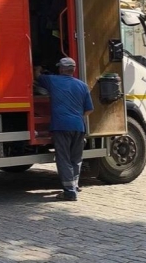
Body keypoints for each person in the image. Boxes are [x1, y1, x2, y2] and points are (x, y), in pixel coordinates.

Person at [36, 57, 94, 201]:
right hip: (79, 126)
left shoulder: (53, 80)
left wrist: (38, 68)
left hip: (61, 126)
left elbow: (37, 77)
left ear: (61, 69)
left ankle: (69, 191)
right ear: (73, 70)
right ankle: (74, 186)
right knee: (76, 158)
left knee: (64, 159)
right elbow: (89, 110)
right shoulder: (82, 85)